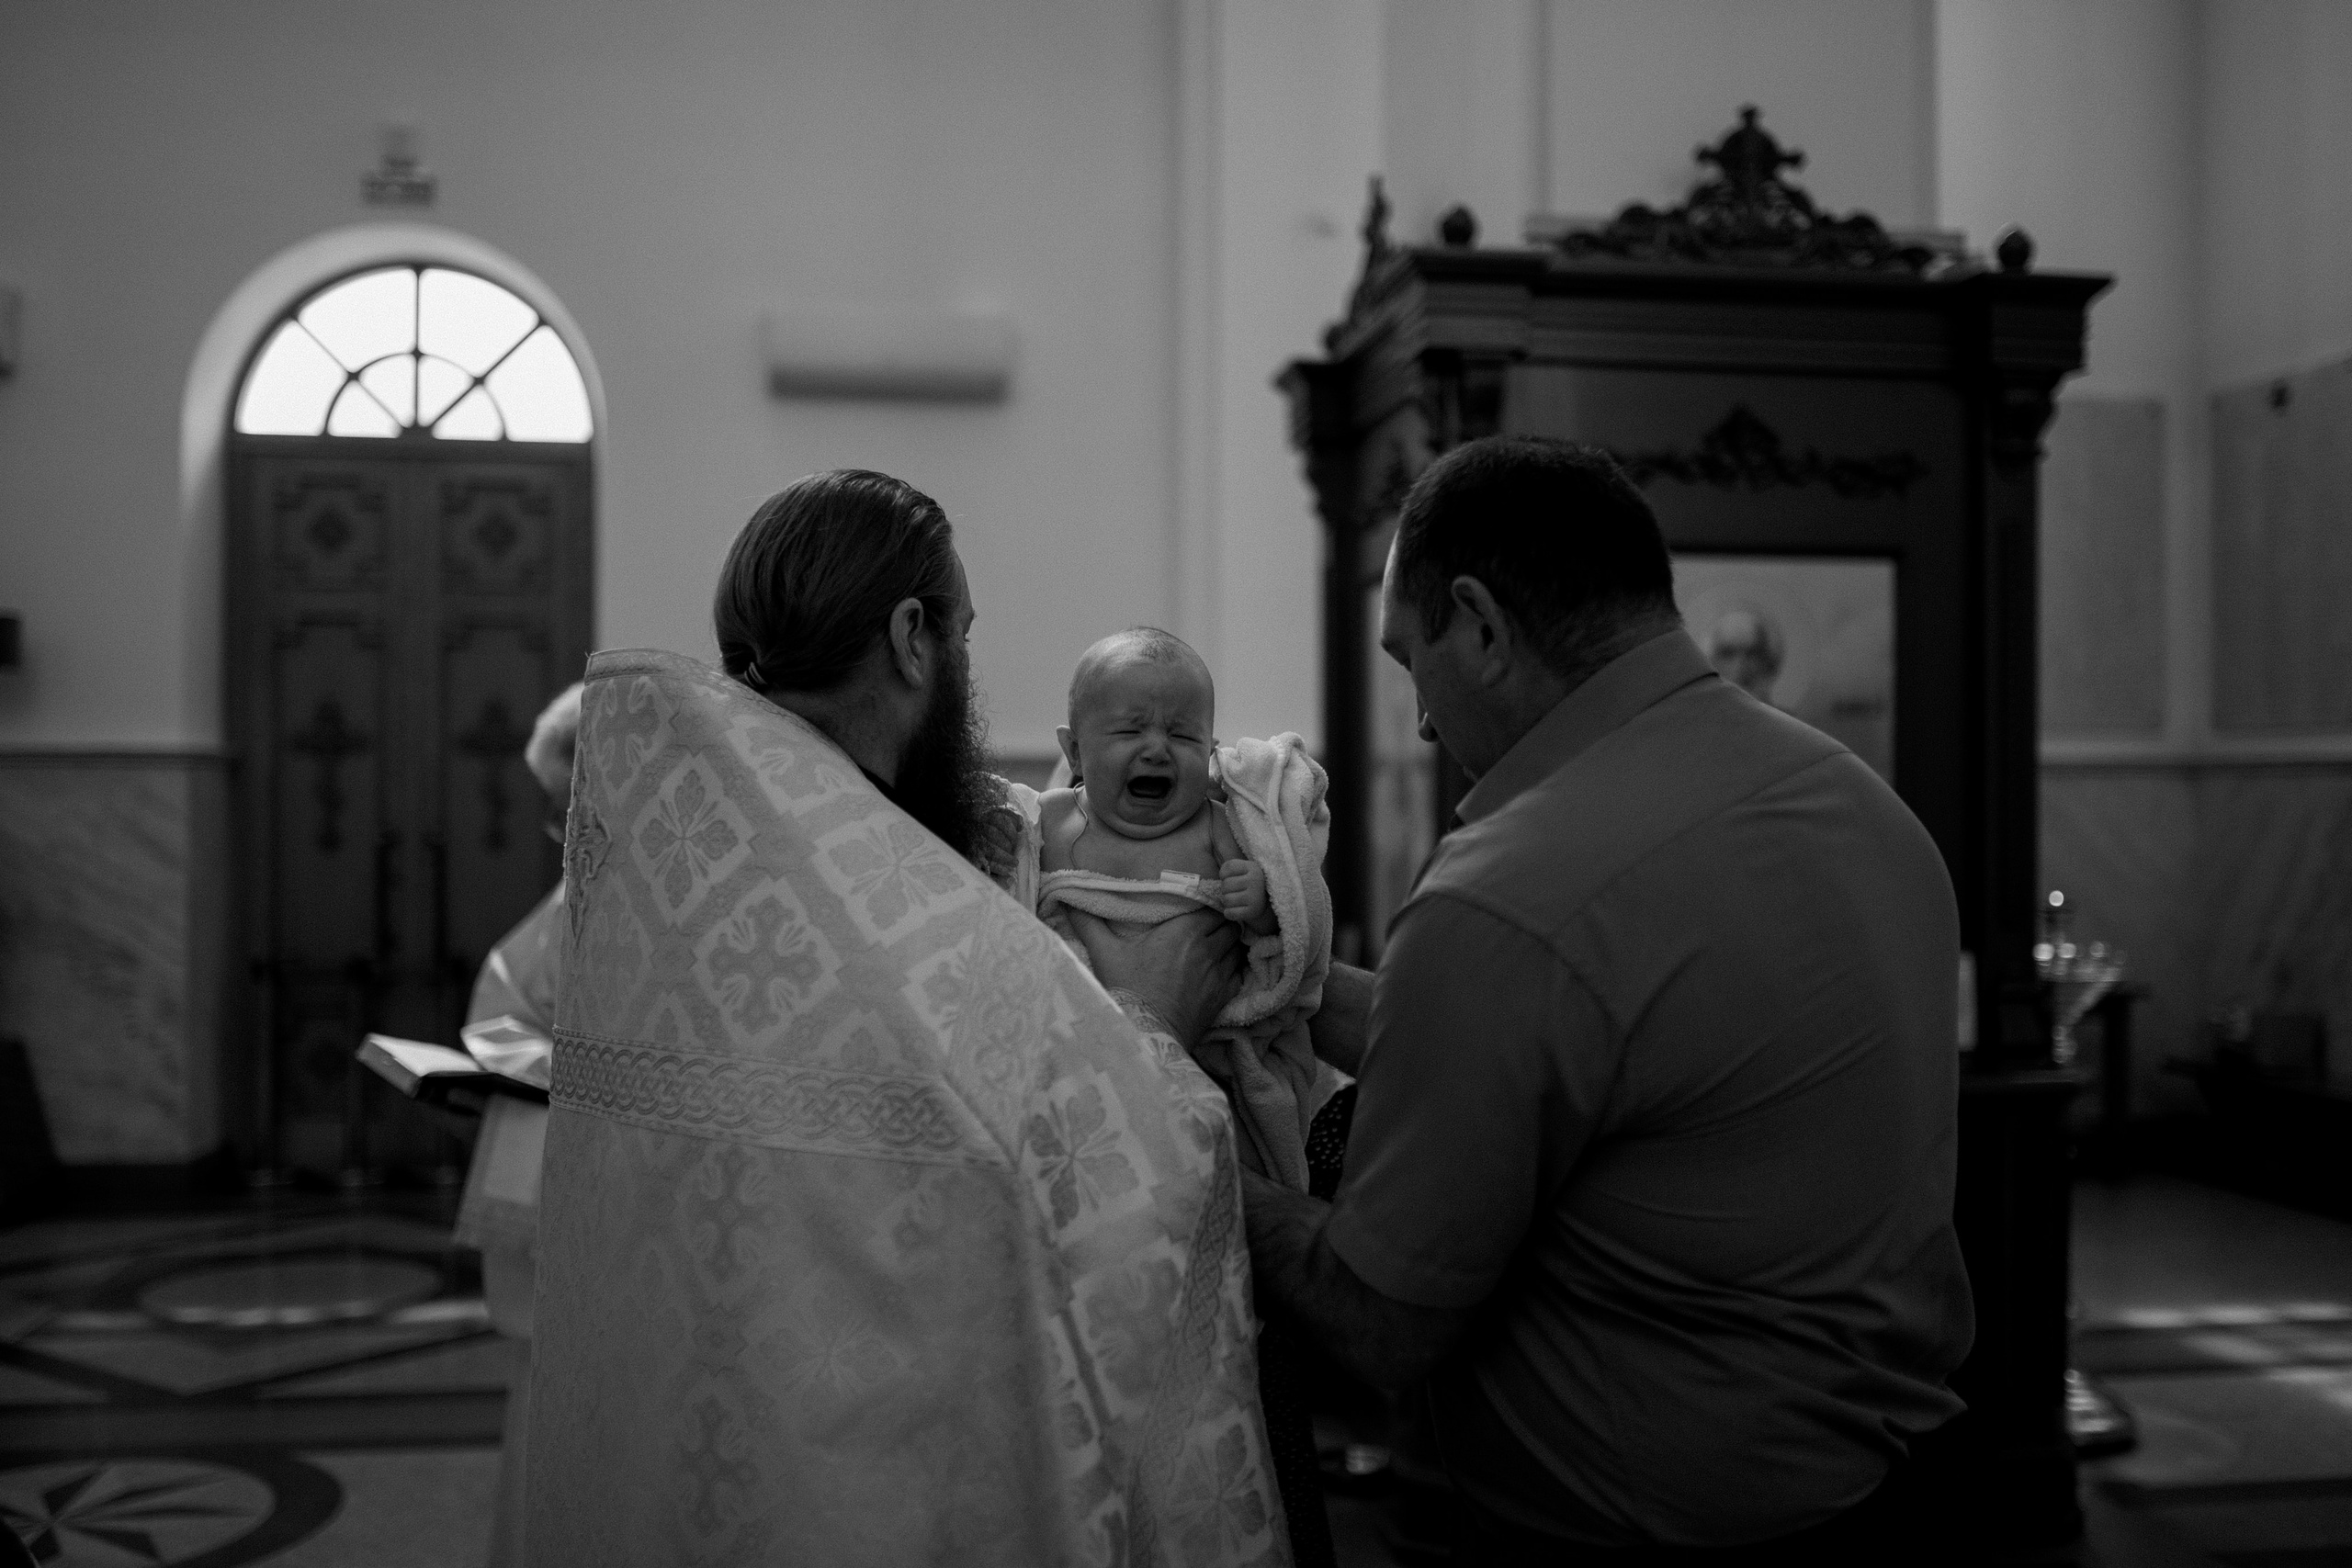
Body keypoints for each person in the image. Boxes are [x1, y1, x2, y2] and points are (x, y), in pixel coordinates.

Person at [1179, 435, 1975, 1562]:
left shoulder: (1511, 893)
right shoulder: (1852, 797)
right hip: (1887, 1492)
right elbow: (1554, 1043)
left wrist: (1176, 1127)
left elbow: (1376, 1318)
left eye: (1413, 665)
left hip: (1638, 1524)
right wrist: (1285, 978)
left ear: (1484, 624)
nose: (1417, 723)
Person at [522, 470, 1292, 1566]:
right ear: (911, 637)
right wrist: (1156, 1030)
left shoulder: (669, 877)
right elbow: (1132, 1187)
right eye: (964, 635)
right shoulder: (902, 918)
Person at [452, 681, 579, 1568]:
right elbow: (504, 1006)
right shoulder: (564, 910)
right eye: (556, 816)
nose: (565, 833)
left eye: (572, 811)